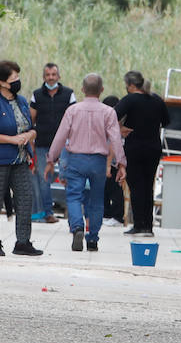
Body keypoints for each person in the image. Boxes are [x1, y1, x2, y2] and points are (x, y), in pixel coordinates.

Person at [46, 73, 126, 253]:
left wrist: (51, 159)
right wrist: (121, 164)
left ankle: (77, 228)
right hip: (98, 161)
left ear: (82, 90)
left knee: (74, 196)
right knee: (97, 201)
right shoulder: (108, 112)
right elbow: (115, 139)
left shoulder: (72, 110)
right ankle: (92, 240)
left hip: (76, 160)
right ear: (102, 90)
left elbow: (60, 137)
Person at [0, 60, 43, 256]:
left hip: (21, 159)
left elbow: (32, 128)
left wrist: (29, 135)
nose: (17, 81)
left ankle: (23, 242)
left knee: (25, 198)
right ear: (2, 82)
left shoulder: (22, 101)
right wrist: (11, 140)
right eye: (13, 78)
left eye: (18, 77)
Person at [115, 70, 171, 236]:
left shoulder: (130, 99)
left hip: (135, 147)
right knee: (148, 186)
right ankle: (149, 226)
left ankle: (139, 225)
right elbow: (166, 121)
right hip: (153, 147)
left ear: (131, 85)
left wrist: (120, 128)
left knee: (136, 185)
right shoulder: (157, 100)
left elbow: (111, 115)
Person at [30, 63, 74, 224]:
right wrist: (31, 142)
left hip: (64, 145)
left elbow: (74, 119)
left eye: (54, 74)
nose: (51, 77)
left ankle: (74, 216)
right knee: (44, 179)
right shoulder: (36, 95)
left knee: (69, 178)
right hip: (42, 144)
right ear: (44, 77)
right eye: (48, 75)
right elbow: (31, 120)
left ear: (59, 76)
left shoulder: (69, 94)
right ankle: (47, 213)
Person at [101, 94, 125, 225]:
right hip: (109, 161)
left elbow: (112, 145)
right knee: (105, 187)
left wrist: (109, 164)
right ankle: (107, 214)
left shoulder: (114, 123)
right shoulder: (109, 123)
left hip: (113, 162)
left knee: (115, 188)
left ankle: (117, 216)